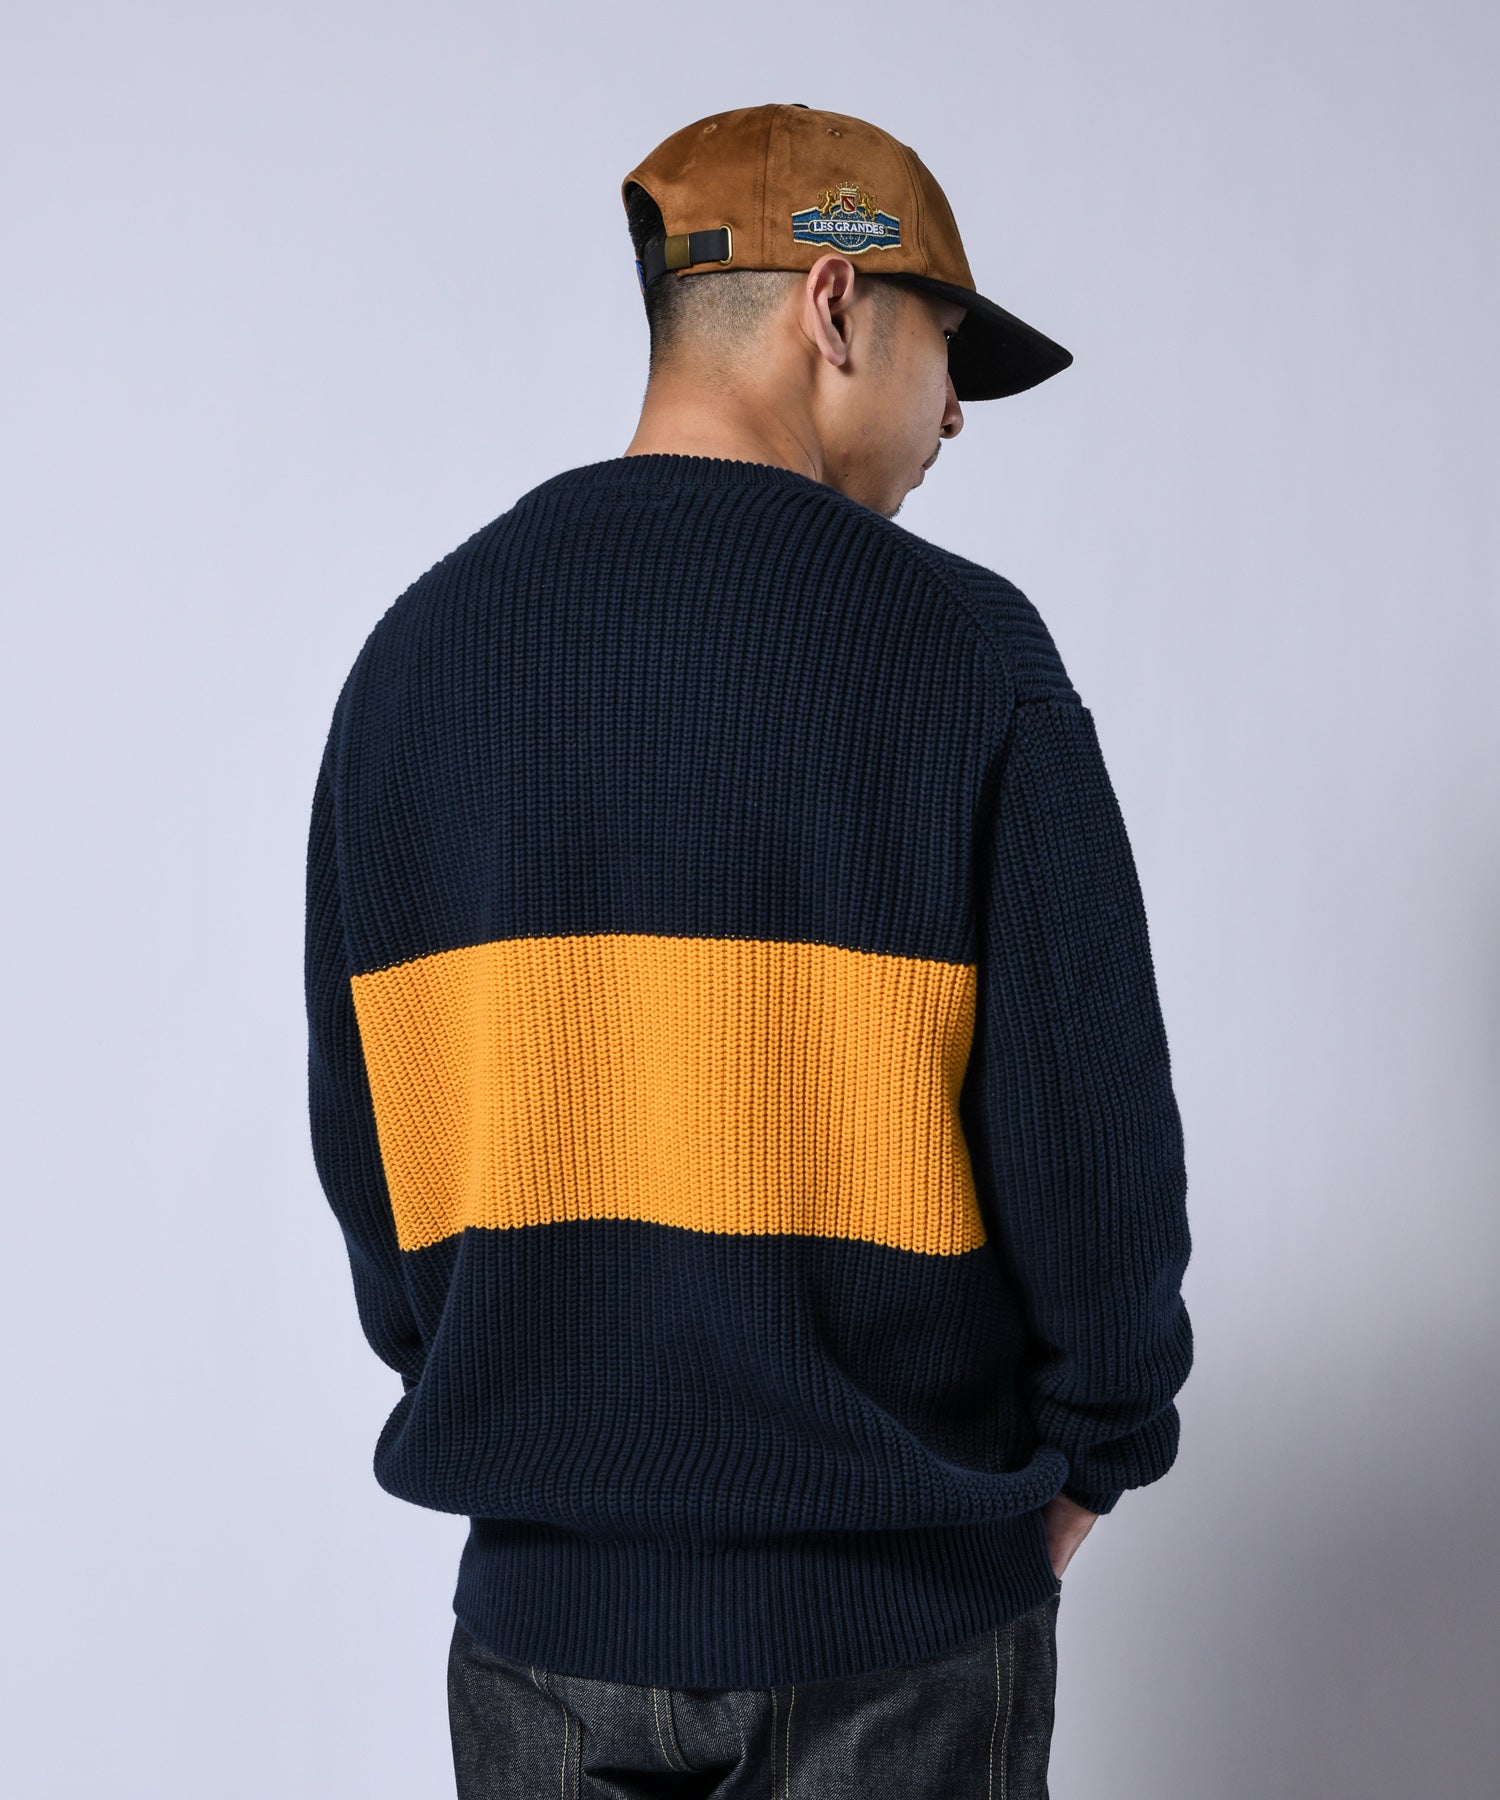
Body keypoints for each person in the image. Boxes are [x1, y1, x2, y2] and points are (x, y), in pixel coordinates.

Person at [304, 101, 1194, 1799]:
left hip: (540, 1636)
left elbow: (376, 1169)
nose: (954, 412)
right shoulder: (964, 656)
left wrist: (546, 1433)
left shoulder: (415, 659)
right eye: (946, 349)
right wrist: (1098, 1449)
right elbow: (1094, 1147)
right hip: (896, 1633)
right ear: (834, 306)